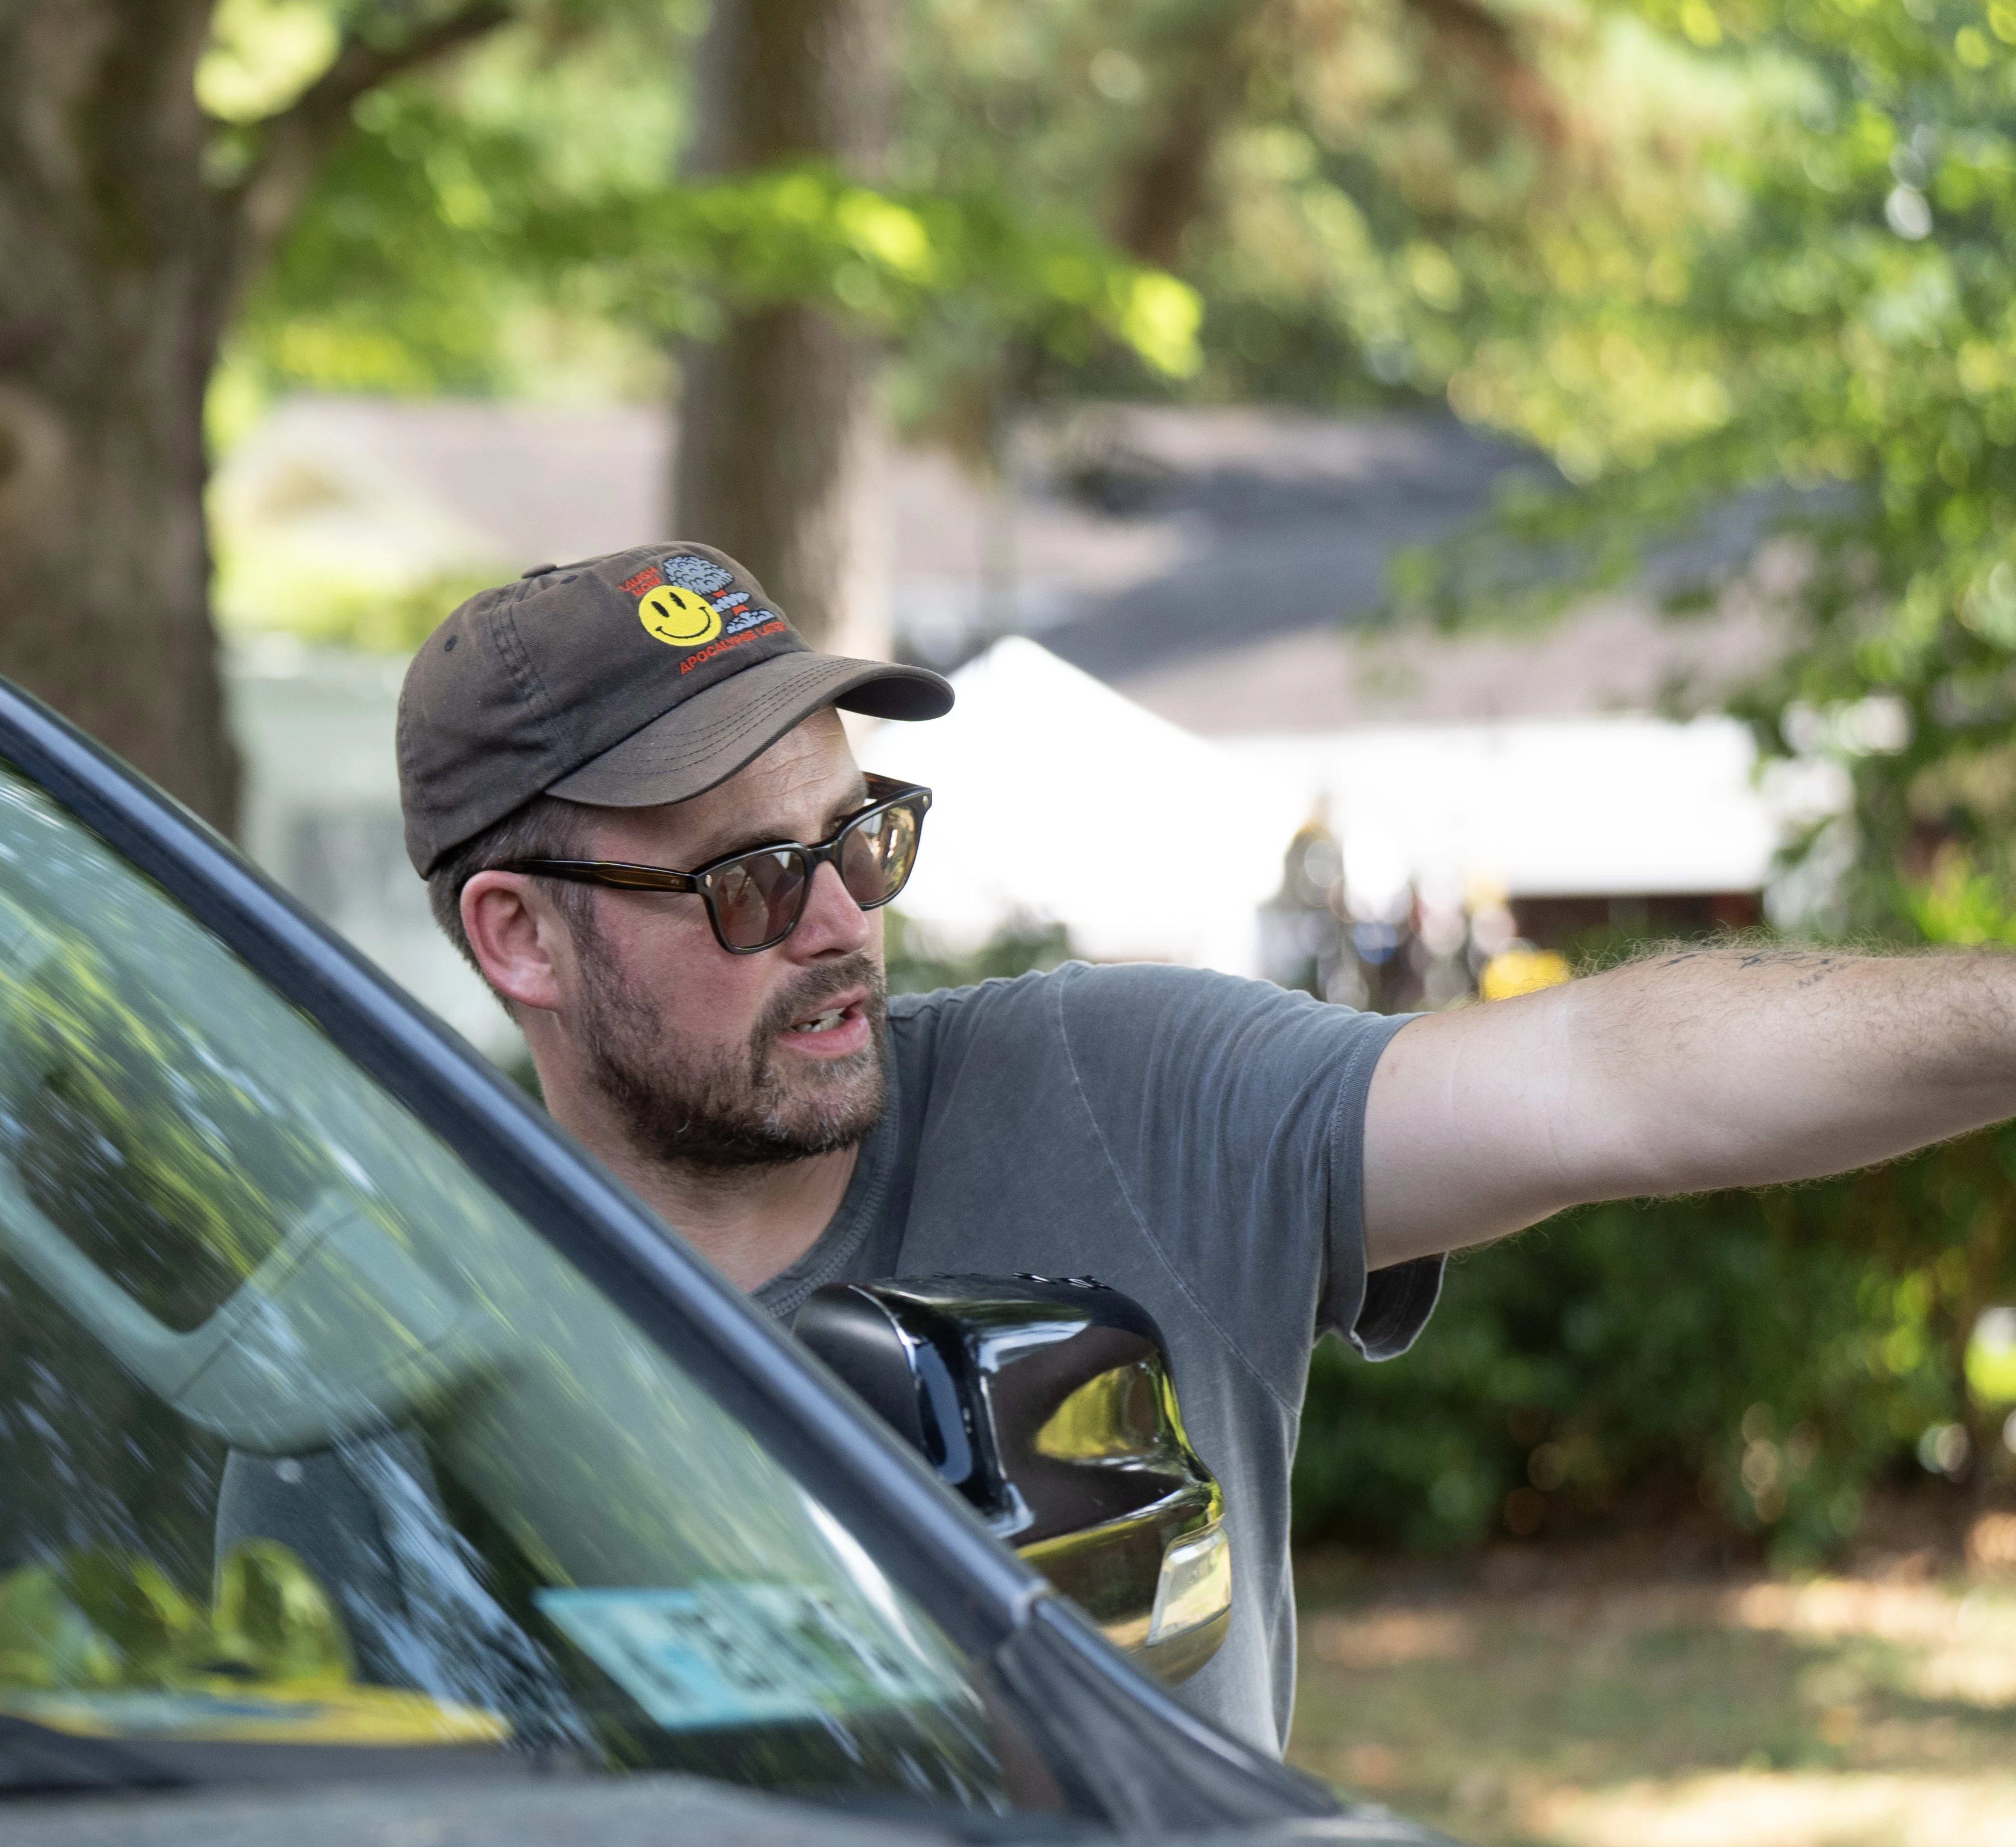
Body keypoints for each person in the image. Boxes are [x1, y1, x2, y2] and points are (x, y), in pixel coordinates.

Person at [406, 542, 2016, 1752]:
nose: (841, 926)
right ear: (520, 940)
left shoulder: (1110, 1097)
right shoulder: (388, 1354)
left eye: (861, 838)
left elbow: (1611, 1076)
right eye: (751, 879)